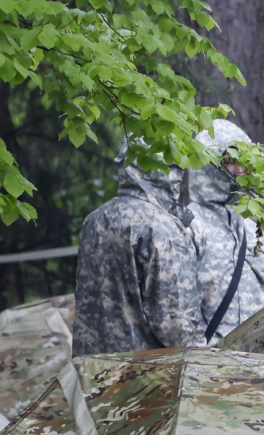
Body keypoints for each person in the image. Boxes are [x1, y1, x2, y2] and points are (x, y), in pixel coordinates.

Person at [73, 146, 205, 356]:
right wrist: (204, 360)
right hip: (146, 370)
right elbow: (174, 323)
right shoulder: (161, 227)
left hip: (94, 367)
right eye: (175, 165)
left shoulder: (94, 220)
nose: (180, 173)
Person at [189, 120, 264, 341]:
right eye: (230, 162)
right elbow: (177, 310)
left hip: (261, 358)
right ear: (207, 162)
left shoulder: (252, 228)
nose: (240, 170)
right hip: (211, 360)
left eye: (244, 161)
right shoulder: (188, 226)